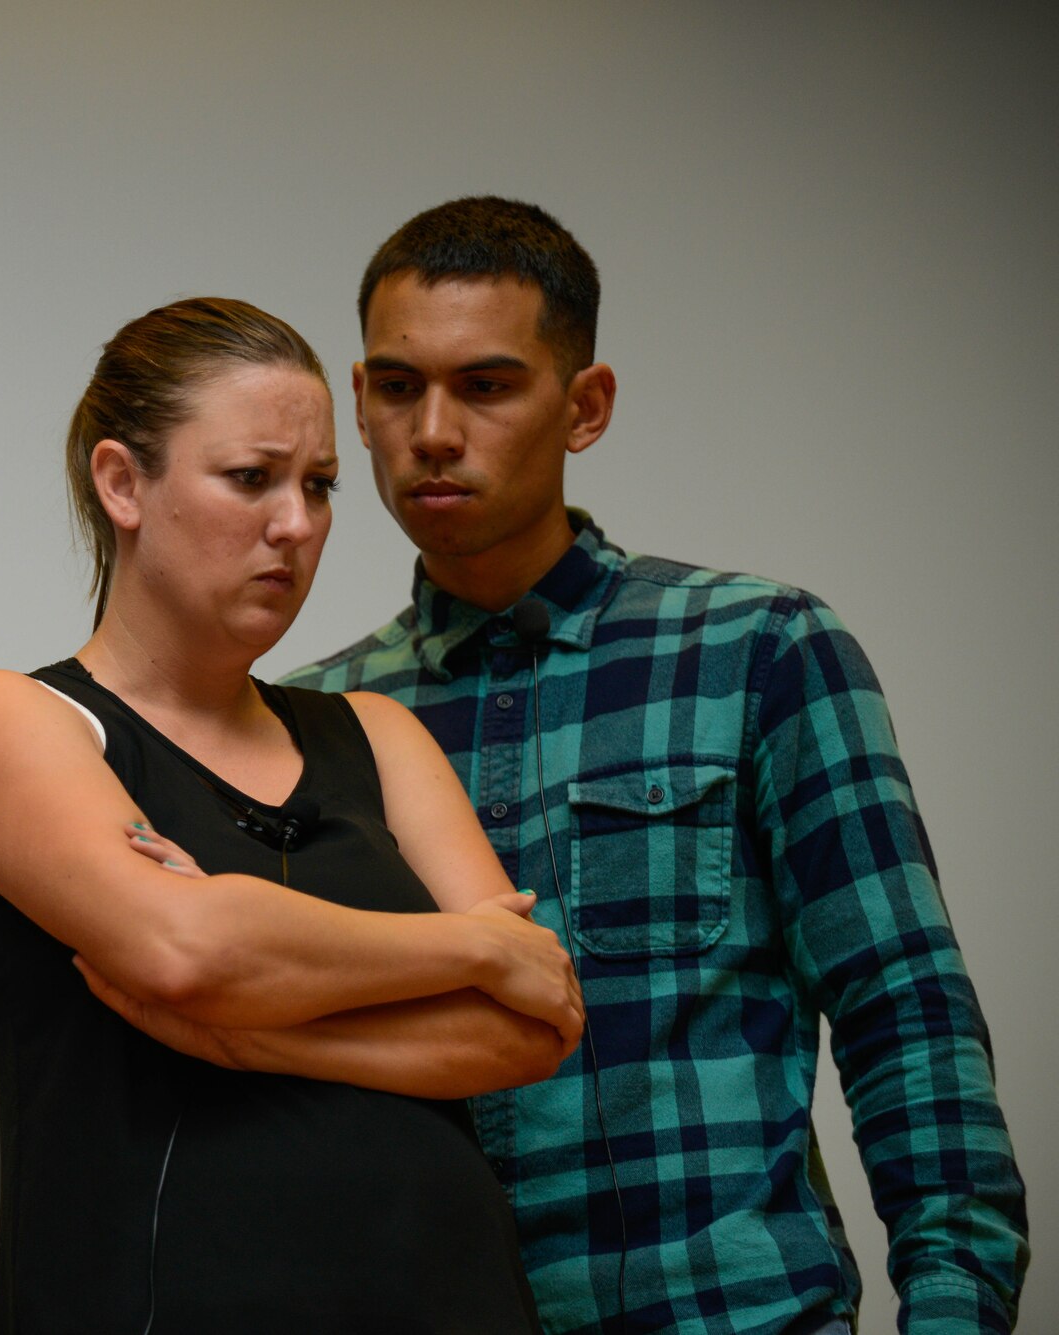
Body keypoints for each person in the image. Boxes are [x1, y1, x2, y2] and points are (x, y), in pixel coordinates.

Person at [282, 197, 1029, 1333]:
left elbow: (905, 1015)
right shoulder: (313, 722)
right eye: (396, 387)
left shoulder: (758, 650)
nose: (431, 430)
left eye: (485, 386)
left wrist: (948, 1313)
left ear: (583, 408)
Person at [0, 296, 587, 1333]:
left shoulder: (374, 734)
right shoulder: (16, 720)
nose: (296, 524)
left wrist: (261, 1041)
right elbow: (185, 952)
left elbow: (527, 1027)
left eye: (318, 486)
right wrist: (469, 945)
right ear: (121, 483)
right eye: (251, 479)